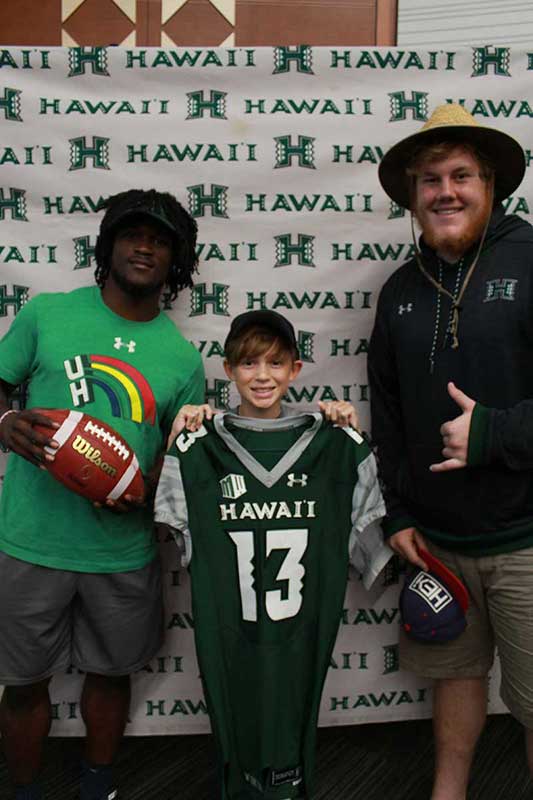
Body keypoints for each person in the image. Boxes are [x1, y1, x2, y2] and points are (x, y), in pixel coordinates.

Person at [0, 189, 205, 800]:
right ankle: (26, 789)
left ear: (178, 262)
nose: (145, 247)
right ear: (108, 245)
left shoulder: (182, 358)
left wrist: (144, 494)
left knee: (112, 677)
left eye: (162, 240)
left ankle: (98, 784)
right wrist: (3, 425)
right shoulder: (47, 315)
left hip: (120, 551)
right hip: (32, 541)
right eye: (132, 234)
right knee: (23, 683)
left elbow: (176, 464)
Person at [155, 309, 391, 800]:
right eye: (248, 364)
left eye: (275, 363)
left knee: (294, 721)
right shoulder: (198, 447)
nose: (262, 375)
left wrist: (345, 430)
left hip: (300, 631)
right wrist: (185, 434)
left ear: (295, 370)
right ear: (228, 370)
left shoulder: (336, 445)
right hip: (233, 633)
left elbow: (374, 550)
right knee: (236, 726)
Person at [368, 102, 532, 800]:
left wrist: (493, 431)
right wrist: (398, 512)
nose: (444, 192)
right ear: (411, 196)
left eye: (460, 174)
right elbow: (388, 414)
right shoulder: (400, 290)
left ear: (490, 184)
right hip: (436, 542)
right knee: (455, 683)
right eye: (428, 179)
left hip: (526, 538)